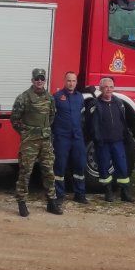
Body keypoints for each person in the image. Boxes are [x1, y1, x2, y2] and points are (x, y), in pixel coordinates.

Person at [10, 68, 62, 217]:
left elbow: (52, 116)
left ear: (45, 80)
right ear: (32, 80)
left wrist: (43, 130)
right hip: (29, 142)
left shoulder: (49, 98)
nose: (39, 81)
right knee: (25, 171)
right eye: (37, 79)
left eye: (42, 79)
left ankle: (51, 202)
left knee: (49, 171)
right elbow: (14, 119)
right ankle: (21, 202)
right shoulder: (24, 98)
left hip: (45, 141)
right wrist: (26, 132)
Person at [87, 76, 134, 202]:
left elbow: (123, 121)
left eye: (111, 87)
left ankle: (125, 192)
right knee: (103, 167)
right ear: (101, 88)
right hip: (103, 142)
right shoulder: (95, 104)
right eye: (106, 87)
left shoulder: (119, 103)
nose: (108, 89)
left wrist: (126, 136)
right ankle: (108, 192)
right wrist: (97, 139)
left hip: (118, 141)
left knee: (122, 167)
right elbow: (92, 124)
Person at [52, 71, 88, 204]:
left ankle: (80, 194)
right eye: (68, 81)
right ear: (64, 81)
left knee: (80, 165)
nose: (71, 83)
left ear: (76, 82)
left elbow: (83, 117)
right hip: (62, 137)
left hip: (77, 137)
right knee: (60, 166)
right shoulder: (57, 97)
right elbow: (51, 118)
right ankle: (59, 194)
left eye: (73, 81)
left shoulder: (80, 97)